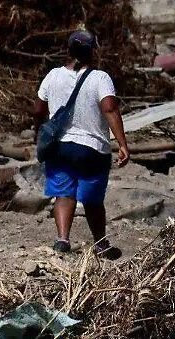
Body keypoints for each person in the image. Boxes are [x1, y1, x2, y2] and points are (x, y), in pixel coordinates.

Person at [33, 31, 130, 259]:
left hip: (59, 147)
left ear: (68, 51)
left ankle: (62, 240)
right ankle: (100, 243)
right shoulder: (100, 78)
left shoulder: (53, 76)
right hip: (92, 148)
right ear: (93, 52)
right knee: (92, 199)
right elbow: (109, 109)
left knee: (63, 194)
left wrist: (39, 130)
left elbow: (38, 109)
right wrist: (122, 144)